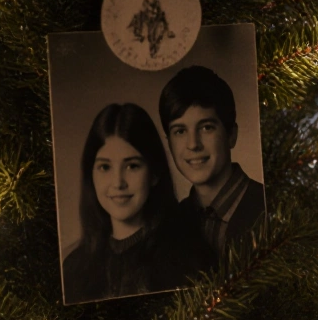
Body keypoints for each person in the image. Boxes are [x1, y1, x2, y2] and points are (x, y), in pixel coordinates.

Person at [62, 103, 212, 304]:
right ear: (91, 175)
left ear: (155, 174)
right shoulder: (74, 268)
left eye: (132, 166)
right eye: (105, 167)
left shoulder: (189, 260)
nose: (118, 183)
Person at [159, 65, 265, 256]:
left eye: (206, 127)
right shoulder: (171, 224)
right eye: (180, 131)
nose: (193, 144)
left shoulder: (268, 206)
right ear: (169, 142)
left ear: (231, 135)